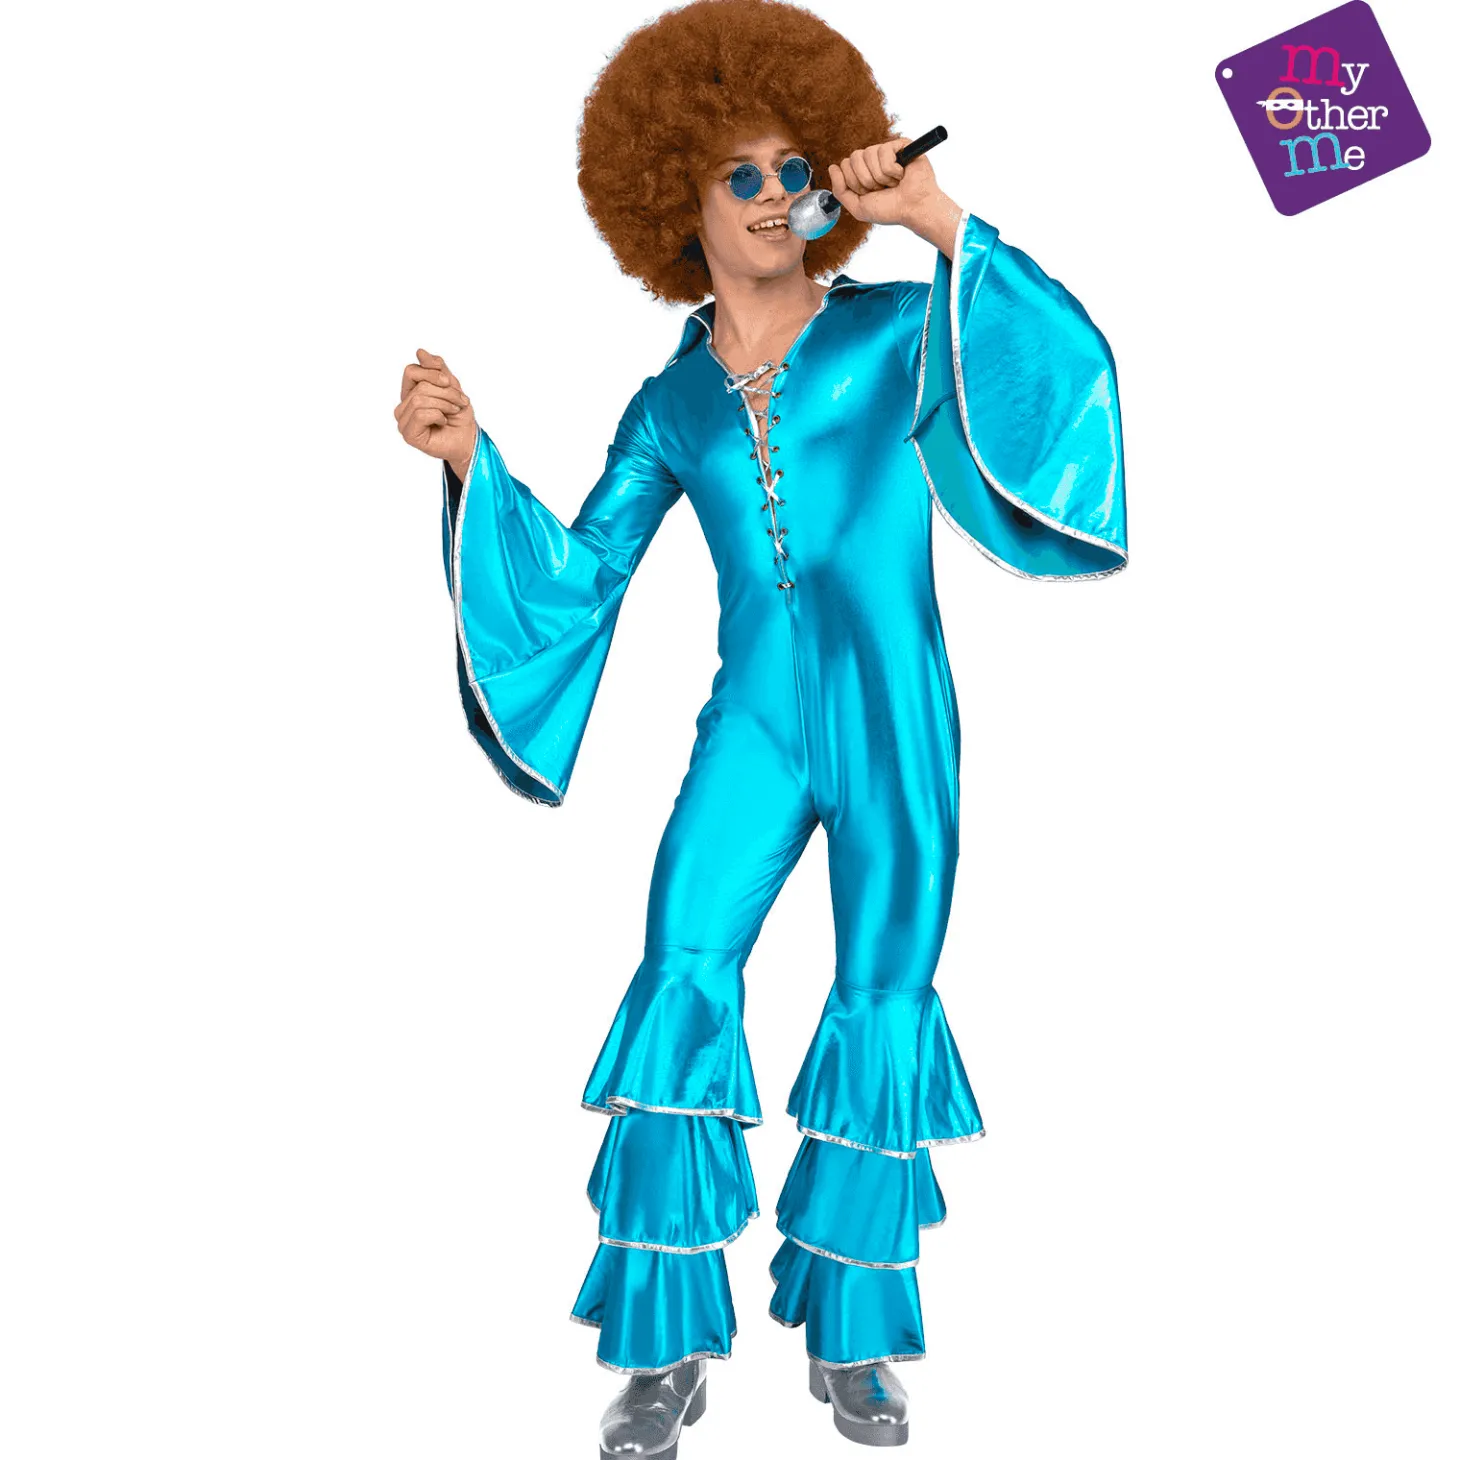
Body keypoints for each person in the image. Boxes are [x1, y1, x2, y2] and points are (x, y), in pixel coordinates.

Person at [394, 1, 1126, 1451]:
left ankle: (854, 1346)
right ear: (680, 200)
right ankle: (664, 1355)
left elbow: (1054, 369)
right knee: (680, 970)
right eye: (745, 175)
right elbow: (580, 574)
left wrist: (935, 218)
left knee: (883, 1002)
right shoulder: (671, 403)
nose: (781, 194)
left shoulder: (897, 330)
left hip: (898, 727)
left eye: (797, 167)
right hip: (755, 729)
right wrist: (472, 455)